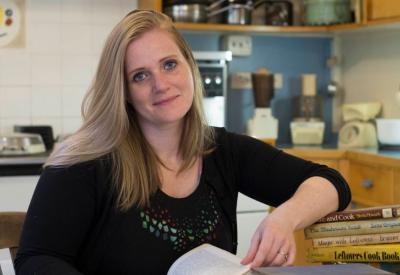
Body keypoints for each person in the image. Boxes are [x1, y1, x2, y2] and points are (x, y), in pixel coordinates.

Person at [15, 9, 351, 275]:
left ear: (189, 67)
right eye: (140, 75)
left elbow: (332, 184)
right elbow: (36, 260)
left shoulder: (224, 150)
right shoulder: (84, 164)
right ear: (124, 92)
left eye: (169, 64)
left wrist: (284, 218)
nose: (160, 84)